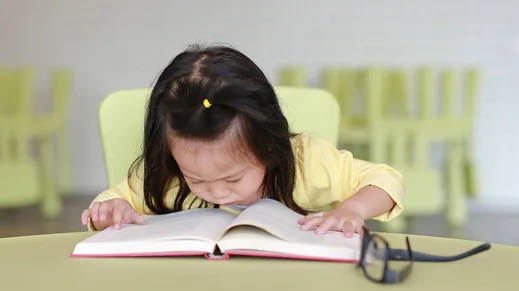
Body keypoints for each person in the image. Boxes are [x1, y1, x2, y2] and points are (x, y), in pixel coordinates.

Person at [81, 44, 404, 238]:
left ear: (267, 145)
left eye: (233, 177)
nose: (218, 192)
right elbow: (111, 201)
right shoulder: (164, 175)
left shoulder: (308, 161)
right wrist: (112, 210)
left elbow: (384, 180)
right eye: (196, 179)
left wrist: (352, 209)